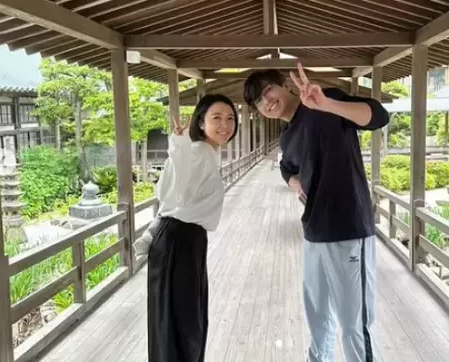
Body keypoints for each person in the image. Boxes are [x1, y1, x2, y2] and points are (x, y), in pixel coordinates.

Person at [244, 64, 389, 362]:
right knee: (318, 316)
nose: (266, 101)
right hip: (314, 231)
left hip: (347, 227)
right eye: (258, 101)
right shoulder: (287, 136)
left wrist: (327, 104)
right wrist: (294, 182)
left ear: (285, 85)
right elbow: (287, 167)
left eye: (268, 91)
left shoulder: (326, 103)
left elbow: (378, 116)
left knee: (353, 321)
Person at [133, 94, 238, 362]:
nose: (225, 124)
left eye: (230, 118)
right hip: (178, 242)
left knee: (179, 323)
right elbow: (177, 193)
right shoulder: (197, 152)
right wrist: (178, 146)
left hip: (184, 240)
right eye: (216, 118)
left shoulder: (204, 152)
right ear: (201, 123)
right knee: (182, 325)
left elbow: (172, 196)